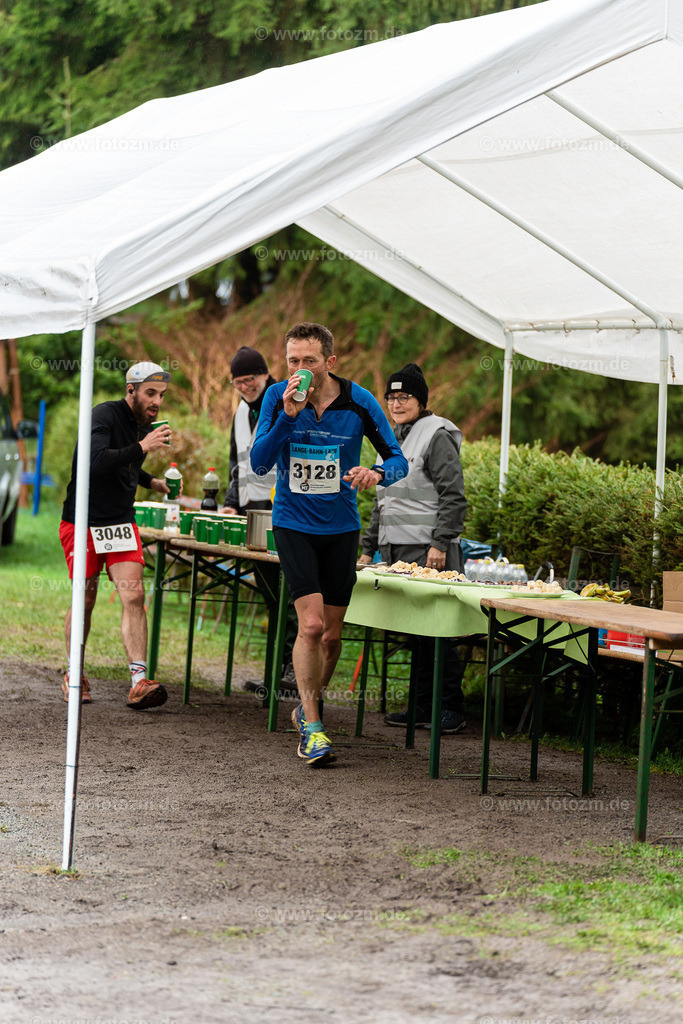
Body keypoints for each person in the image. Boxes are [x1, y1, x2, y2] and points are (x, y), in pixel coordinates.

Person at [250, 322, 409, 766]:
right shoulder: (275, 397)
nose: (300, 369)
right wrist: (288, 415)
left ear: (330, 362)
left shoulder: (360, 403)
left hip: (340, 528)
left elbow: (399, 460)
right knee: (313, 626)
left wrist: (375, 474)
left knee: (334, 635)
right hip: (293, 524)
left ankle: (306, 706)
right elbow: (260, 462)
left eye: (310, 362)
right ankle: (314, 729)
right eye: (293, 361)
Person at [59, 361, 176, 710]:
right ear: (131, 390)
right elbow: (96, 460)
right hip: (83, 522)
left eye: (161, 395)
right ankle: (74, 673)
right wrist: (144, 447)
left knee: (134, 595)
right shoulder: (104, 415)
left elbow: (124, 462)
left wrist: (150, 480)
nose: (156, 401)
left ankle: (139, 681)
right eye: (150, 393)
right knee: (86, 600)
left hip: (120, 522)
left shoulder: (140, 425)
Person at [359, 363, 468, 734]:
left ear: (421, 400)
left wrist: (440, 543)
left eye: (404, 396)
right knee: (417, 632)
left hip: (430, 552)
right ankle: (423, 706)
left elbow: (454, 496)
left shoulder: (435, 435)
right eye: (390, 397)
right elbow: (381, 502)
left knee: (440, 631)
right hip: (395, 552)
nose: (396, 402)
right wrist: (367, 548)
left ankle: (451, 708)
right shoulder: (390, 439)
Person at [222, 345, 298, 696]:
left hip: (285, 510)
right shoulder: (241, 412)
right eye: (238, 382)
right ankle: (274, 674)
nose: (245, 386)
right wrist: (230, 503)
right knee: (272, 597)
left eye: (249, 379)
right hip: (254, 514)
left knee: (293, 595)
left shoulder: (287, 401)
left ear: (266, 375)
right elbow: (236, 462)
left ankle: (294, 674)